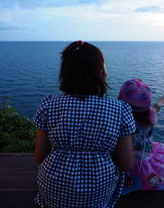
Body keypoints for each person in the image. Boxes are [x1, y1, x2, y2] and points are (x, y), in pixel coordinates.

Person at [33, 41, 136, 208]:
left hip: (53, 191)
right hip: (98, 191)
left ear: (65, 73)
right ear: (101, 72)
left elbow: (39, 157)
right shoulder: (120, 109)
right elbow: (125, 164)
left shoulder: (48, 104)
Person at [119, 78, 164, 191]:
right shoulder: (150, 115)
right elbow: (157, 106)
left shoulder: (118, 118)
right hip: (146, 160)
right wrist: (163, 99)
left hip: (125, 161)